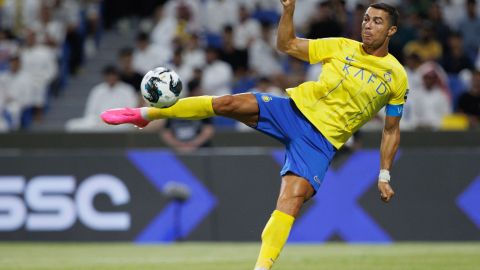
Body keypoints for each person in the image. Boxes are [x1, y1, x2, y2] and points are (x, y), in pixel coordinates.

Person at [101, 2, 407, 269]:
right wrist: (288, 11)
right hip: (292, 111)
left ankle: (261, 267)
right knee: (227, 102)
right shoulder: (340, 46)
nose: (368, 26)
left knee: (291, 200)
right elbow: (287, 45)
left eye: (377, 21)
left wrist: (384, 174)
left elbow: (391, 129)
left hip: (320, 142)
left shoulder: (396, 77)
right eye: (366, 19)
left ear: (391, 31)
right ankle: (145, 115)